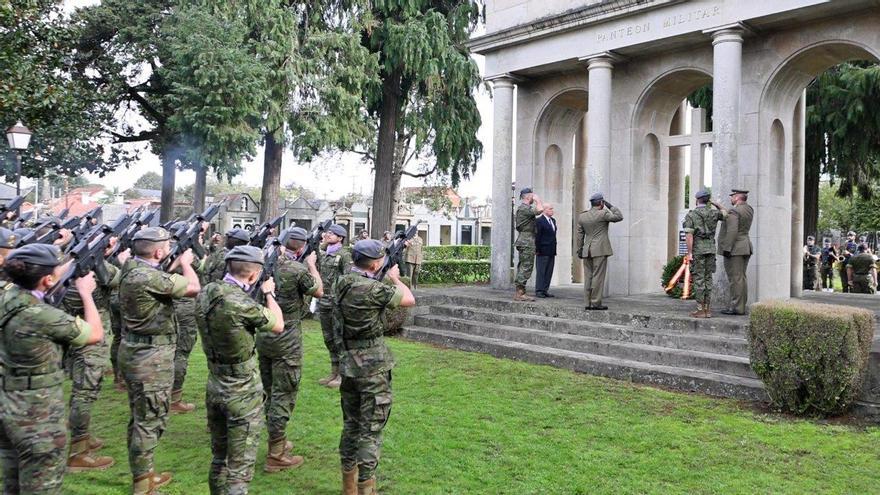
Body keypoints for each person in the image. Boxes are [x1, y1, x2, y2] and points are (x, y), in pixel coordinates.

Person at [0, 244, 104, 493]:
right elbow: (94, 334)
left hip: (7, 402)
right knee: (41, 484)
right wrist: (86, 292)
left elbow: (46, 280)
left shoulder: (7, 297)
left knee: (12, 483)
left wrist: (72, 264)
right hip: (37, 414)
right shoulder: (42, 316)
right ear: (47, 279)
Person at [196, 245, 285, 495]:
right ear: (254, 275)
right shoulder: (240, 303)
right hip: (242, 390)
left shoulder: (207, 292)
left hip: (215, 382)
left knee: (219, 458)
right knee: (240, 468)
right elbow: (278, 324)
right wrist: (269, 294)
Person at [118, 227, 201, 495]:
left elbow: (161, 276)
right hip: (151, 359)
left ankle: (143, 473)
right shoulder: (147, 277)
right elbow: (193, 288)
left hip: (133, 351)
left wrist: (172, 263)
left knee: (139, 416)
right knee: (150, 420)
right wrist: (186, 264)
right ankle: (143, 485)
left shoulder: (132, 268)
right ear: (158, 251)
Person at [334, 239, 416, 495]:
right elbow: (409, 299)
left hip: (349, 363)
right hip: (373, 366)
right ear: (377, 262)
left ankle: (348, 485)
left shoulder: (342, 283)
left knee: (351, 425)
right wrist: (395, 278)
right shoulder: (374, 290)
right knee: (370, 430)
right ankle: (366, 488)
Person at [257, 227, 323, 472]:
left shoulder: (262, 265)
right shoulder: (297, 270)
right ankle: (276, 455)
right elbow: (318, 290)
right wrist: (312, 265)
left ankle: (278, 439)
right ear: (302, 246)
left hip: (264, 334)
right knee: (284, 394)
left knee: (270, 391)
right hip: (287, 339)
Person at [61, 237, 130, 472]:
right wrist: (103, 259)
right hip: (90, 336)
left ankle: (82, 436)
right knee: (85, 393)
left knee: (83, 390)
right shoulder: (84, 275)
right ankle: (78, 453)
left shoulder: (67, 269)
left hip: (79, 332)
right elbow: (118, 279)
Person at [316, 224, 352, 388]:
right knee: (329, 339)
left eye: (333, 233)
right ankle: (334, 371)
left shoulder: (344, 255)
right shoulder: (324, 254)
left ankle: (342, 375)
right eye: (328, 232)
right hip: (324, 301)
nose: (328, 235)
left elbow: (348, 279)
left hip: (337, 303)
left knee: (339, 339)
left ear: (340, 238)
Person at [682, 190, 728, 318]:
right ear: (708, 200)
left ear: (697, 200)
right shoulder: (713, 213)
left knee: (699, 279)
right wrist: (716, 204)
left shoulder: (692, 215)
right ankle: (707, 309)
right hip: (711, 249)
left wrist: (689, 253)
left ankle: (700, 309)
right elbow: (726, 213)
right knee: (708, 278)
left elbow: (689, 235)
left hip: (698, 250)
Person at [575, 192, 623, 310]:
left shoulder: (583, 216)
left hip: (587, 250)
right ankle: (596, 302)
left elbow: (579, 235)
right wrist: (610, 206)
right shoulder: (603, 213)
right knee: (598, 277)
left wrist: (580, 249)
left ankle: (587, 303)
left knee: (588, 277)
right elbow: (619, 216)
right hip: (599, 250)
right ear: (601, 203)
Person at [718, 189, 754, 315]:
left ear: (738, 197)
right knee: (742, 278)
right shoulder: (748, 209)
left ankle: (736, 308)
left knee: (735, 279)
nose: (731, 198)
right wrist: (719, 207)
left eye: (732, 196)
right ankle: (741, 306)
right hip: (745, 246)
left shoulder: (735, 211)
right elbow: (733, 215)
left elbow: (732, 231)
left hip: (735, 249)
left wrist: (726, 248)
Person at [513, 187, 544, 301]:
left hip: (526, 240)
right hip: (526, 241)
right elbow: (540, 210)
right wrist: (538, 200)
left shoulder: (524, 209)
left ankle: (521, 292)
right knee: (526, 266)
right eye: (532, 195)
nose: (533, 197)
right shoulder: (524, 208)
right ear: (528, 196)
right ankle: (520, 293)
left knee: (524, 266)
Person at [534, 203, 558, 298]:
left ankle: (545, 290)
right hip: (542, 250)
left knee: (549, 271)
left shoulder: (553, 220)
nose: (552, 210)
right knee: (541, 271)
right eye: (550, 209)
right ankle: (539, 290)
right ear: (544, 210)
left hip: (551, 250)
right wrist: (537, 249)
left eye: (552, 208)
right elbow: (537, 236)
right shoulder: (539, 221)